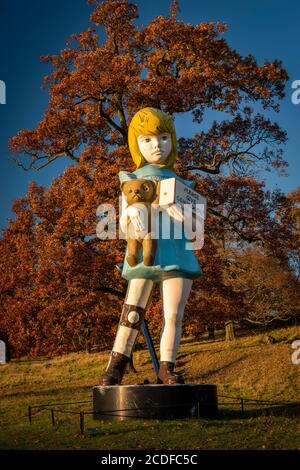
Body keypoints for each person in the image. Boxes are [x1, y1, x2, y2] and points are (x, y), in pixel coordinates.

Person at [99, 107, 202, 386]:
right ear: (137, 144)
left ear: (172, 141)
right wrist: (131, 217)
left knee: (173, 314)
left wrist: (184, 216)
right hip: (145, 253)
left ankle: (166, 367)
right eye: (147, 140)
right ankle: (115, 366)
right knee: (132, 311)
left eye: (163, 138)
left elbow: (197, 230)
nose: (157, 145)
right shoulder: (131, 180)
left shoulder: (184, 185)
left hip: (178, 252)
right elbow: (122, 226)